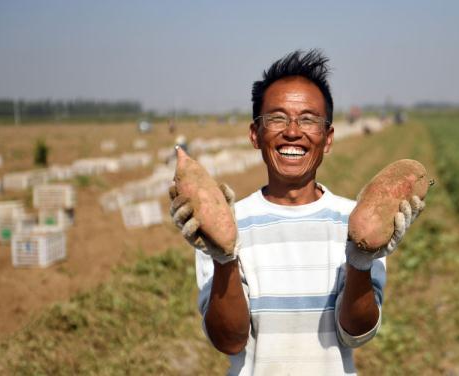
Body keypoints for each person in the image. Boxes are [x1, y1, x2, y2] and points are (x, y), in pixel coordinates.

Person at [170, 49, 424, 375]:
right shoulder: (223, 224)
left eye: (308, 119)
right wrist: (224, 259)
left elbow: (356, 334)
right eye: (277, 118)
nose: (292, 131)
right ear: (255, 134)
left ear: (328, 138)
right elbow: (230, 341)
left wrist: (360, 261)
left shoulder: (360, 221)